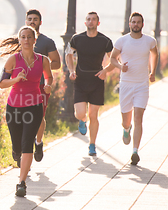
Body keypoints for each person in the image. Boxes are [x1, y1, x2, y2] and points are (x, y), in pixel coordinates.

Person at [0, 26, 53, 197]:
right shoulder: (12, 60)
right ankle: (17, 153)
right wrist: (16, 79)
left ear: (35, 40)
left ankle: (21, 183)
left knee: (27, 142)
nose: (27, 40)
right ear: (19, 40)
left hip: (34, 105)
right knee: (17, 146)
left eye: (30, 37)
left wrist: (48, 85)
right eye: (23, 37)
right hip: (14, 107)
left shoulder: (43, 60)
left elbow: (49, 76)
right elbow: (1, 83)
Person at [103, 12, 158, 165]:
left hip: (142, 85)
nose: (135, 24)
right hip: (126, 85)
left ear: (142, 24)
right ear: (129, 24)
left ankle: (135, 151)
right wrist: (120, 66)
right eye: (133, 22)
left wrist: (153, 71)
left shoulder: (149, 41)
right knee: (126, 121)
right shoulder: (122, 41)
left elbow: (155, 53)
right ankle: (126, 129)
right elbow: (112, 58)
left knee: (138, 116)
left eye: (138, 22)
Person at [66, 11, 113, 156]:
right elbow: (68, 54)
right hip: (80, 80)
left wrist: (105, 71)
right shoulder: (77, 39)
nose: (90, 21)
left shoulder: (105, 41)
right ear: (85, 22)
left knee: (94, 115)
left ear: (98, 23)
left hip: (97, 81)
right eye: (88, 19)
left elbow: (115, 59)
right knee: (80, 113)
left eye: (93, 19)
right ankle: (82, 120)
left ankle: (92, 145)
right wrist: (71, 70)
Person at [25, 9, 61, 162]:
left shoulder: (47, 42)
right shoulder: (21, 39)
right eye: (30, 19)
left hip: (41, 85)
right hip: (23, 87)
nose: (32, 21)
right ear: (26, 21)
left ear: (40, 22)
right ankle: (24, 148)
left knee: (39, 118)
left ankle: (38, 143)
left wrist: (40, 67)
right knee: (21, 117)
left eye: (35, 19)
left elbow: (57, 63)